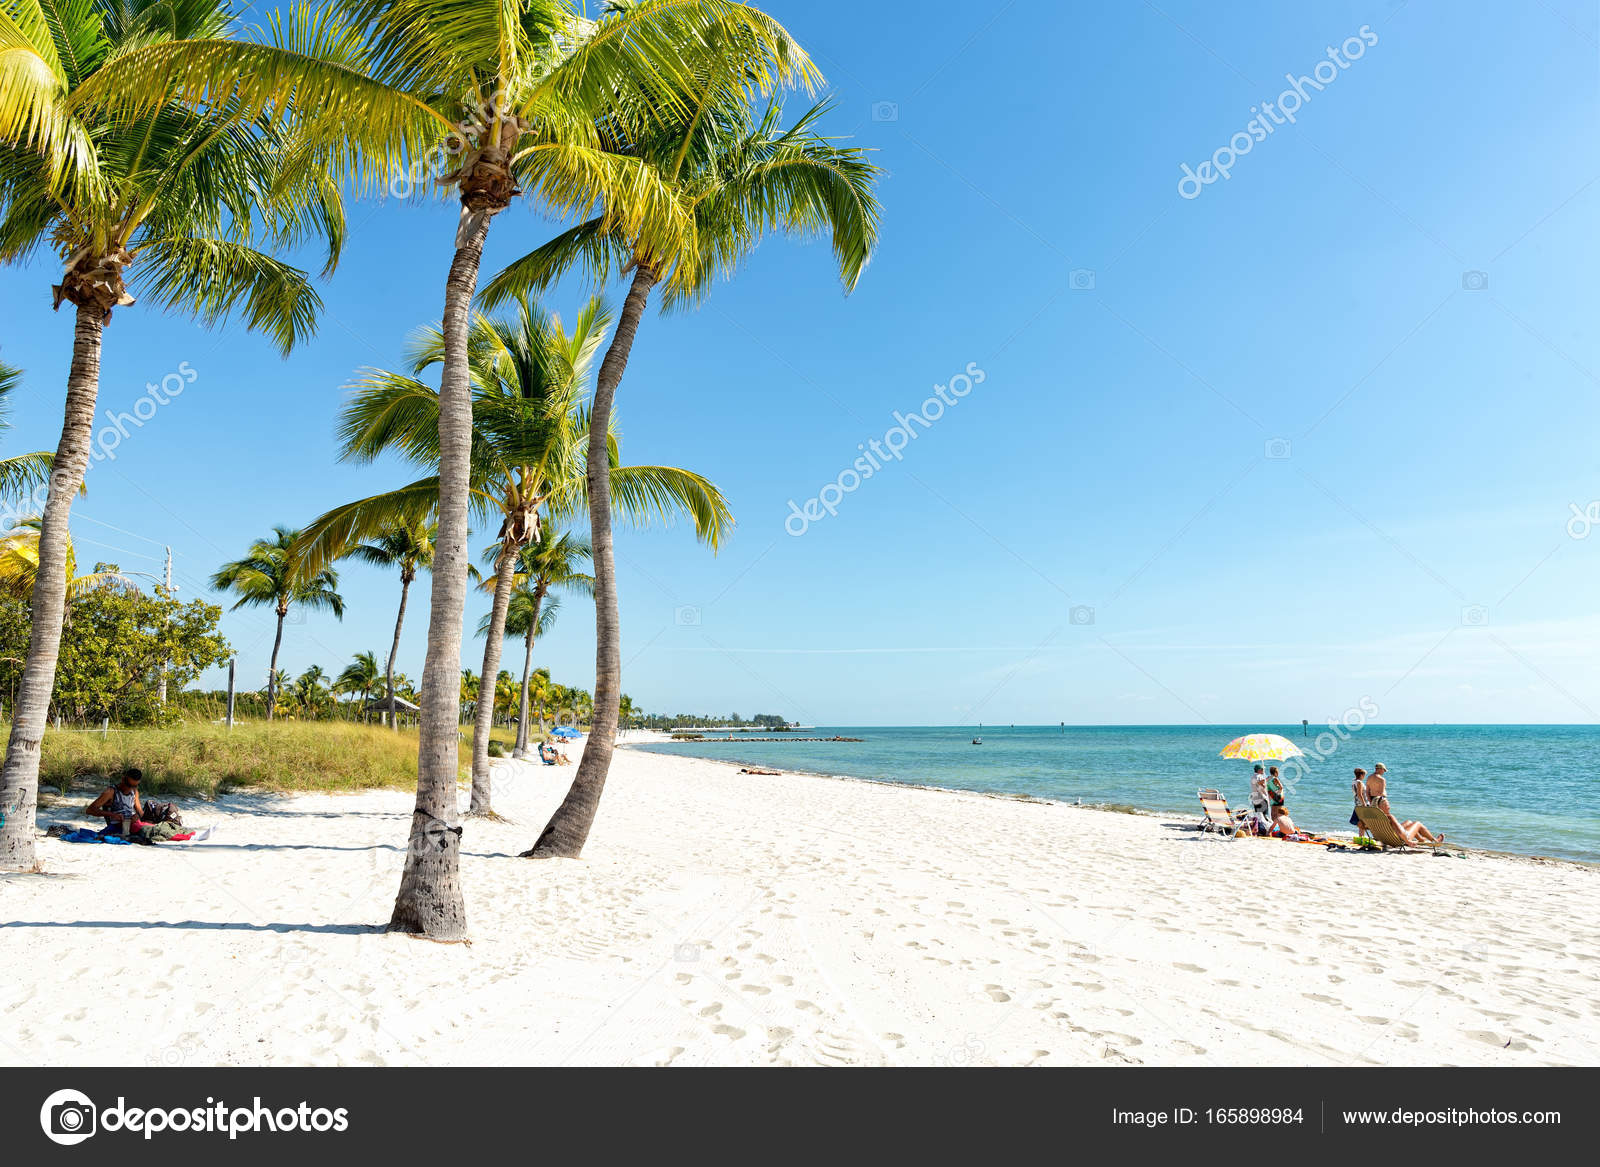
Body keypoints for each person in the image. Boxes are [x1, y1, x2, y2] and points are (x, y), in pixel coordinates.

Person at [1367, 764, 1444, 845]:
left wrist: (1372, 801)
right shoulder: (1389, 816)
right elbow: (1382, 793)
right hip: (1399, 839)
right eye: (1387, 805)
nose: (1389, 807)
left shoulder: (1375, 817)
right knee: (1418, 823)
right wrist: (1408, 841)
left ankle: (1421, 839)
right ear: (1380, 769)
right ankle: (1435, 841)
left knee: (1409, 822)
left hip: (1385, 837)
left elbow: (1367, 792)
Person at [85, 768, 143, 837]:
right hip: (116, 827)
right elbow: (90, 810)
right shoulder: (110, 792)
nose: (130, 788)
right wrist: (112, 815)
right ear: (123, 780)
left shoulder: (134, 791)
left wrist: (137, 816)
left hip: (130, 825)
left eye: (134, 786)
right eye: (129, 785)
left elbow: (140, 812)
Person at [1265, 765, 1301, 836]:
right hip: (1278, 796)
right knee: (1280, 812)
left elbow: (1265, 785)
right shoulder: (1275, 779)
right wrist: (1277, 789)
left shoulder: (1267, 778)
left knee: (1273, 812)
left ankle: (1274, 825)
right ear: (1275, 772)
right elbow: (1281, 787)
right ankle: (1280, 827)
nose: (1278, 774)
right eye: (1277, 772)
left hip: (1272, 796)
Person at [1350, 767, 1371, 838]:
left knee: (1361, 821)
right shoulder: (1359, 782)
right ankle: (1362, 837)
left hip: (1357, 803)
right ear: (1361, 775)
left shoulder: (1353, 781)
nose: (1364, 777)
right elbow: (1359, 794)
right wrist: (1364, 803)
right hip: (1362, 804)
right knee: (1363, 822)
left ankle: (1361, 837)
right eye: (1364, 775)